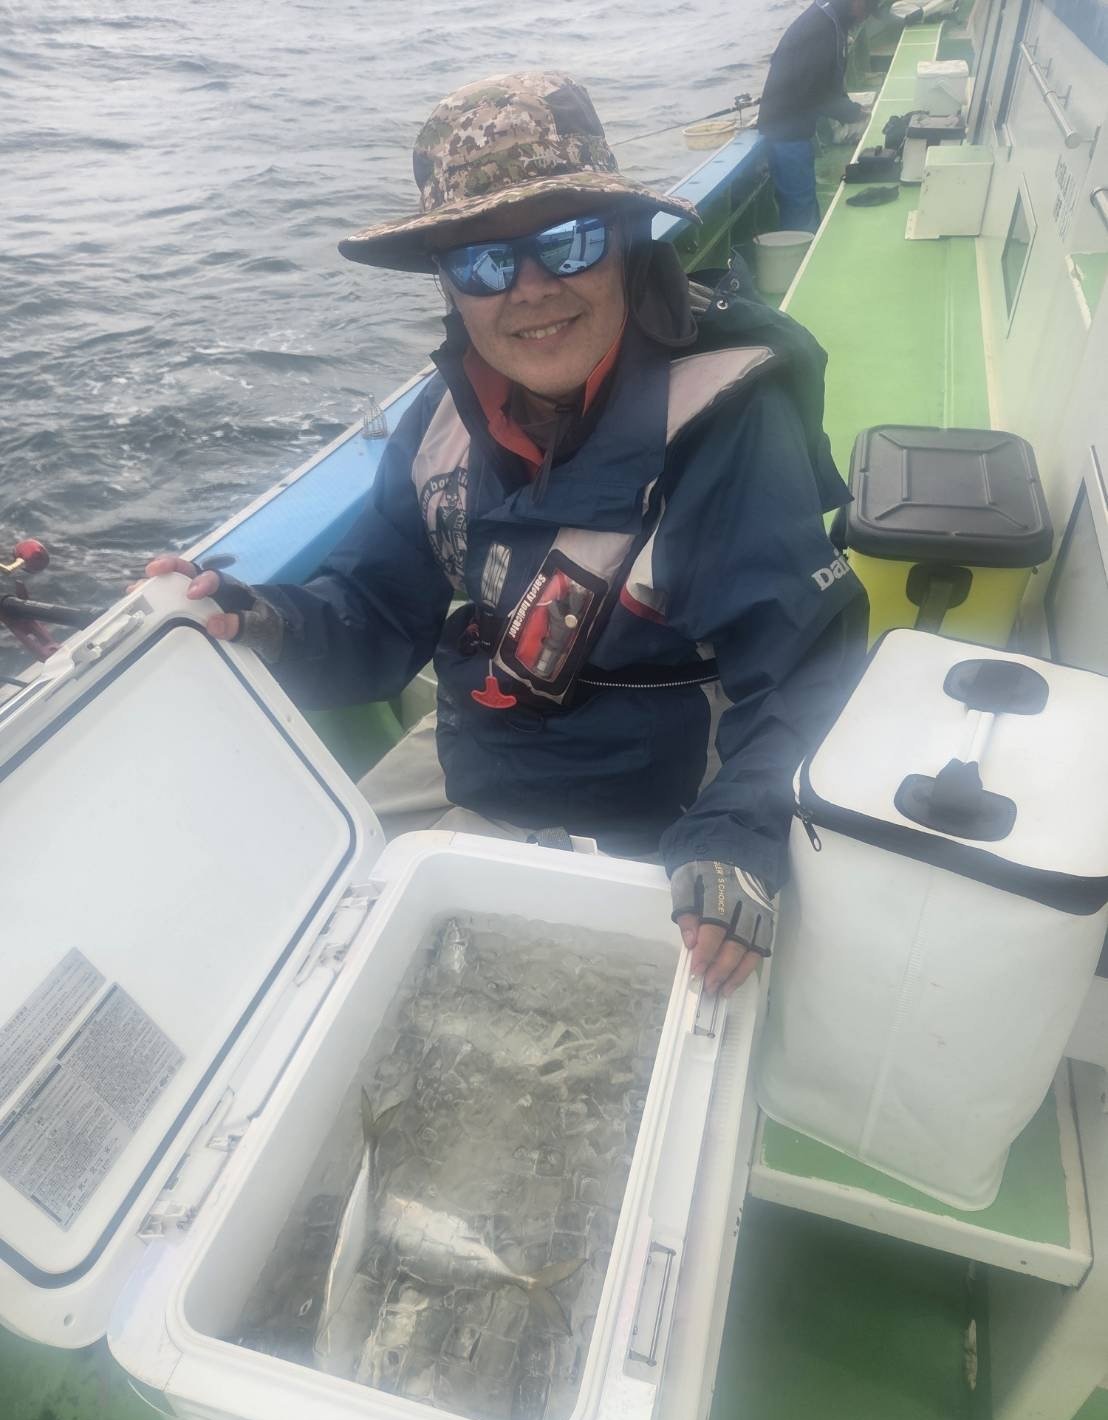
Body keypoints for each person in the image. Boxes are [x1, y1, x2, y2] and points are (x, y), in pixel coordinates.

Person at [144, 71, 867, 1000]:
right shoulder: (442, 420)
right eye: (482, 262)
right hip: (483, 743)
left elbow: (802, 667)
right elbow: (374, 613)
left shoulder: (729, 418)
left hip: (662, 794)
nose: (529, 290)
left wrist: (739, 831)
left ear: (626, 243)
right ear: (449, 284)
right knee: (284, 923)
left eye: (567, 242)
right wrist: (265, 618)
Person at [758, 0, 873, 232]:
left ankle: (809, 239)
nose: (866, 16)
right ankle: (801, 249)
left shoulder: (830, 18)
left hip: (796, 125)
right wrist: (851, 112)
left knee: (805, 199)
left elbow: (825, 80)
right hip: (785, 130)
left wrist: (849, 108)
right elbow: (813, 90)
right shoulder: (819, 29)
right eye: (868, 8)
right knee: (799, 204)